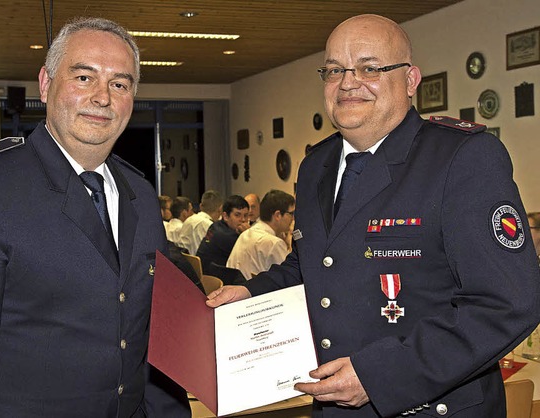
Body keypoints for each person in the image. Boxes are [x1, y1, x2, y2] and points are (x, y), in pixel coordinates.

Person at [208, 14, 540, 418]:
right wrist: (252, 294)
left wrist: (380, 375)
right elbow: (315, 262)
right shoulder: (316, 166)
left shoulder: (462, 158)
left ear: (411, 80)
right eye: (334, 70)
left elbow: (507, 303)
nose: (348, 82)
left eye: (370, 68)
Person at [0, 17, 189, 417]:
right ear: (45, 84)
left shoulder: (141, 195)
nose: (103, 98)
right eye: (84, 78)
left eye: (120, 84)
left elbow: (152, 342)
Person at [226, 190, 294, 279]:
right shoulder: (273, 243)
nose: (293, 218)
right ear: (277, 215)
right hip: (256, 291)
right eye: (291, 213)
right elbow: (291, 277)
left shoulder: (247, 233)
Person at [196, 195, 250, 272]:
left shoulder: (215, 225)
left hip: (206, 275)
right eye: (237, 215)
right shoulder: (226, 236)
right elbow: (251, 251)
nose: (243, 220)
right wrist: (248, 234)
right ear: (225, 216)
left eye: (246, 215)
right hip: (214, 280)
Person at [178, 190, 223, 255]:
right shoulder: (210, 226)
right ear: (220, 209)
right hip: (201, 263)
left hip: (185, 262)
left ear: (200, 206)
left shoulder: (188, 220)